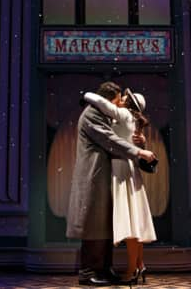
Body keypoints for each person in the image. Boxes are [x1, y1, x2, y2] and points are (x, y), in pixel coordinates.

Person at [66, 82, 157, 286]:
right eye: (117, 99)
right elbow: (110, 139)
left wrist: (139, 143)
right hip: (93, 176)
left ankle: (104, 269)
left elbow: (120, 137)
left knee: (104, 226)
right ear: (109, 100)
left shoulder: (109, 115)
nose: (119, 104)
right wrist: (139, 151)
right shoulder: (92, 114)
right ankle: (88, 272)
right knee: (93, 226)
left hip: (105, 177)